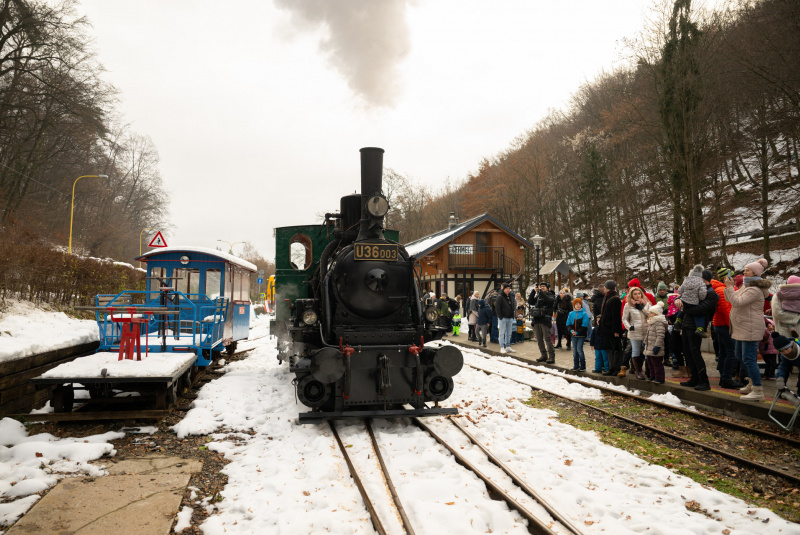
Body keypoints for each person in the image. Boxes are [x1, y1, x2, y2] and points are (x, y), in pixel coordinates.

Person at [724, 258, 771, 402]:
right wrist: (729, 288)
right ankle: (751, 383)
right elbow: (731, 299)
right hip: (742, 327)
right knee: (739, 355)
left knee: (749, 359)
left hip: (750, 328)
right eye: (744, 269)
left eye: (747, 270)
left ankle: (758, 390)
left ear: (755, 273)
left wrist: (730, 287)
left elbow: (737, 302)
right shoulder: (746, 286)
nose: (744, 272)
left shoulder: (754, 290)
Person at [676, 270, 718, 391]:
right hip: (687, 324)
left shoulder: (711, 293)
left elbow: (700, 310)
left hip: (696, 327)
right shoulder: (697, 290)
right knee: (688, 353)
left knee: (695, 353)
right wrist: (677, 300)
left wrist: (684, 308)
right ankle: (694, 378)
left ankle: (704, 381)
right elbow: (682, 296)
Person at [711, 267, 741, 389]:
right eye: (732, 277)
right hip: (725, 325)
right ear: (727, 278)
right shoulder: (722, 290)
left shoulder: (717, 288)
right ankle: (727, 379)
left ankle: (723, 377)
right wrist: (733, 327)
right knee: (731, 352)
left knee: (723, 352)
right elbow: (726, 310)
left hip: (719, 324)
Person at [622, 287, 651, 380]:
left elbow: (651, 315)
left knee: (647, 351)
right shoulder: (628, 305)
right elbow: (624, 319)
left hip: (646, 331)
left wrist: (642, 308)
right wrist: (629, 327)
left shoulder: (647, 304)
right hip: (635, 331)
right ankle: (637, 371)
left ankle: (648, 370)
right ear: (631, 295)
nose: (638, 295)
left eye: (639, 293)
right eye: (635, 294)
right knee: (635, 350)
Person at [599, 280, 624, 376]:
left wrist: (616, 330)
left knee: (615, 349)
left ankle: (615, 368)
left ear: (607, 287)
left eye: (605, 286)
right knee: (609, 349)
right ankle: (611, 368)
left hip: (612, 330)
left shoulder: (614, 299)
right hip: (607, 329)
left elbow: (616, 316)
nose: (603, 288)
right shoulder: (608, 297)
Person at [677, 264, 709, 336]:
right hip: (694, 302)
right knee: (699, 314)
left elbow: (680, 290)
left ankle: (678, 320)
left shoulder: (686, 280)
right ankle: (699, 328)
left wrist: (683, 295)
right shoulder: (701, 282)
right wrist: (701, 298)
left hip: (684, 300)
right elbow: (702, 293)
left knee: (682, 308)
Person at [529, 281, 556, 363]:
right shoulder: (538, 296)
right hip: (537, 319)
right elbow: (530, 301)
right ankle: (543, 355)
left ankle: (551, 357)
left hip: (545, 320)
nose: (542, 287)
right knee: (539, 339)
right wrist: (534, 291)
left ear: (547, 288)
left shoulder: (550, 295)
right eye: (541, 286)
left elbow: (549, 301)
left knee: (547, 339)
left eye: (544, 286)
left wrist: (541, 292)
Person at [642, 302, 668, 384]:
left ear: (656, 314)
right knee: (650, 362)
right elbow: (648, 334)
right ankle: (652, 375)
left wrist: (657, 346)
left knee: (657, 363)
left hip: (655, 347)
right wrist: (645, 342)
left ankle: (659, 377)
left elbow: (660, 335)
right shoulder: (652, 322)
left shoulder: (659, 322)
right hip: (649, 346)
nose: (649, 314)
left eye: (651, 313)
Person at [772, 332, 800, 406]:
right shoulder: (784, 356)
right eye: (782, 351)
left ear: (791, 345)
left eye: (786, 349)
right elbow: (783, 367)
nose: (785, 352)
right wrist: (780, 378)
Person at [567, 298, 590, 371]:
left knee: (579, 350)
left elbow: (584, 325)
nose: (578, 305)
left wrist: (577, 332)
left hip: (581, 335)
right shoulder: (571, 313)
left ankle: (583, 366)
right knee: (574, 351)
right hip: (573, 335)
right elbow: (568, 324)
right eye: (576, 304)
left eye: (579, 304)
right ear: (574, 305)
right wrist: (571, 330)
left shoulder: (584, 314)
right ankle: (576, 365)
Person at [590, 286, 608, 373]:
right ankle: (603, 367)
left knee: (600, 356)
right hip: (600, 322)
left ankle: (601, 367)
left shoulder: (596, 299)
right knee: (602, 356)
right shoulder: (601, 300)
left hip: (598, 322)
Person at [496, 283, 516, 354]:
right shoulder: (500, 297)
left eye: (509, 288)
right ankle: (502, 346)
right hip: (503, 318)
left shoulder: (510, 296)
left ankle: (508, 346)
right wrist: (500, 316)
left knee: (509, 333)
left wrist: (513, 315)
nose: (508, 290)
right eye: (506, 288)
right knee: (502, 333)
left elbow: (513, 305)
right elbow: (497, 308)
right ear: (503, 289)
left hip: (510, 318)